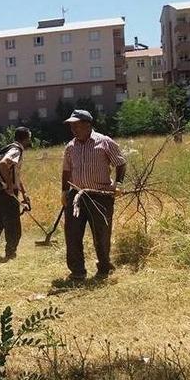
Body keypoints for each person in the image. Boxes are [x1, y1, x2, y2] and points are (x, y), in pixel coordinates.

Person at [61, 109, 127, 281]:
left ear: (87, 125)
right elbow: (66, 171)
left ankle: (104, 267)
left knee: (101, 234)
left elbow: (120, 163)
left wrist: (118, 184)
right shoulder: (70, 147)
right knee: (72, 233)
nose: (73, 129)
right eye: (71, 126)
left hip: (100, 196)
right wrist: (64, 191)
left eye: (76, 125)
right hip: (76, 196)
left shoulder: (105, 142)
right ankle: (77, 271)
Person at [0, 127, 32, 262]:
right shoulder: (16, 150)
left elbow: (13, 173)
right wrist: (10, 185)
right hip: (6, 192)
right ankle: (10, 254)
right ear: (26, 138)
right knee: (13, 224)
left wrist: (23, 192)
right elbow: (3, 164)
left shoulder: (7, 148)